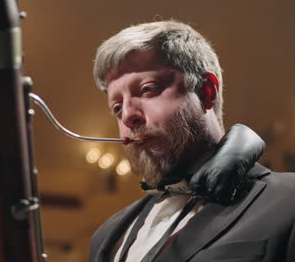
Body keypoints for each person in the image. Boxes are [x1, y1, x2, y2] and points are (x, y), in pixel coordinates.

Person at [89, 20, 295, 262]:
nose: (127, 115)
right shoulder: (105, 237)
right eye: (116, 107)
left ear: (207, 91)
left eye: (147, 89)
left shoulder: (289, 201)